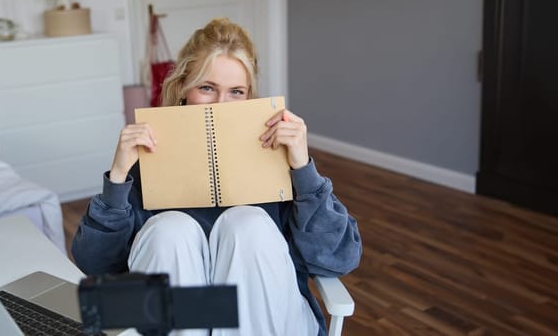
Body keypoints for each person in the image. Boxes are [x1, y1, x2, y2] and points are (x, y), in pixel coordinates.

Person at [71, 18, 362, 336]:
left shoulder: (281, 158)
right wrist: (118, 177)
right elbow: (96, 264)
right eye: (207, 88)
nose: (222, 105)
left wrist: (303, 168)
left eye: (236, 92)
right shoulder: (149, 157)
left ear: (249, 95)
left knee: (247, 223)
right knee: (170, 229)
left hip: (267, 316)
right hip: (183, 319)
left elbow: (340, 258)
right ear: (183, 87)